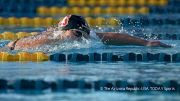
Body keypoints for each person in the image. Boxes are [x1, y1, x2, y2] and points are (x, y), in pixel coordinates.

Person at [0, 15, 171, 51]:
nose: (81, 38)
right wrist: (10, 47)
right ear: (65, 32)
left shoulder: (89, 36)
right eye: (77, 34)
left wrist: (146, 43)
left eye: (83, 34)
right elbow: (14, 45)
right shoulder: (49, 40)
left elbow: (117, 37)